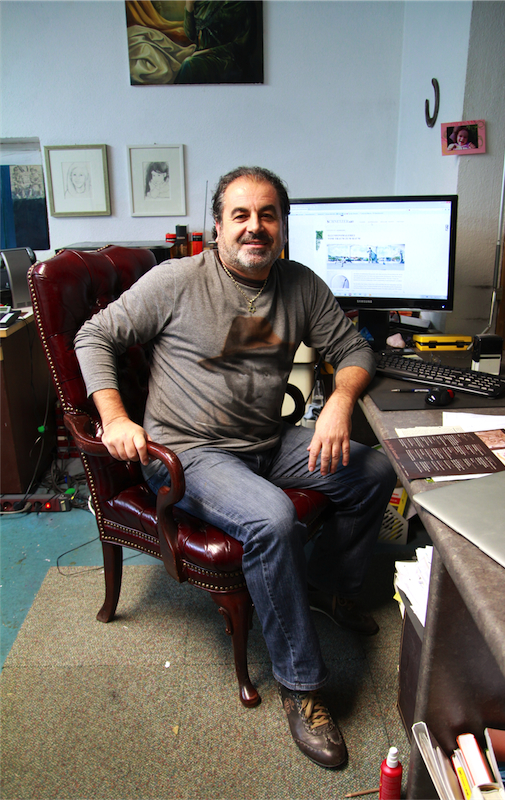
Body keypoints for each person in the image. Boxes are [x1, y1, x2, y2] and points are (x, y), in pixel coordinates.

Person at [74, 166, 396, 770]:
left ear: (283, 226)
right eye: (240, 215)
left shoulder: (299, 285)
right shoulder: (175, 281)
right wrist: (114, 418)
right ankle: (301, 687)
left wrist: (341, 402)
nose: (255, 227)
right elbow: (94, 338)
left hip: (266, 441)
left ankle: (328, 586)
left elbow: (354, 348)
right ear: (217, 226)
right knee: (272, 519)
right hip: (188, 453)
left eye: (268, 215)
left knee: (373, 473)